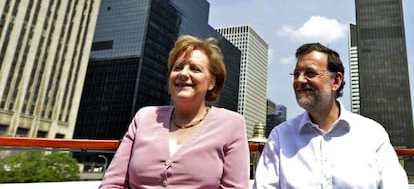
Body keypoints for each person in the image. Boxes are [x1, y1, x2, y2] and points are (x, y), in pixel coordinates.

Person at [100, 35, 250, 188]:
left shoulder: (231, 124)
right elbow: (112, 183)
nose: (183, 74)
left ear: (212, 82)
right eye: (177, 67)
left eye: (195, 69)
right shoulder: (144, 117)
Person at [253, 42, 408, 188]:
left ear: (336, 81)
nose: (299, 80)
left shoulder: (372, 134)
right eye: (296, 74)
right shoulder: (280, 136)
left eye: (310, 73)